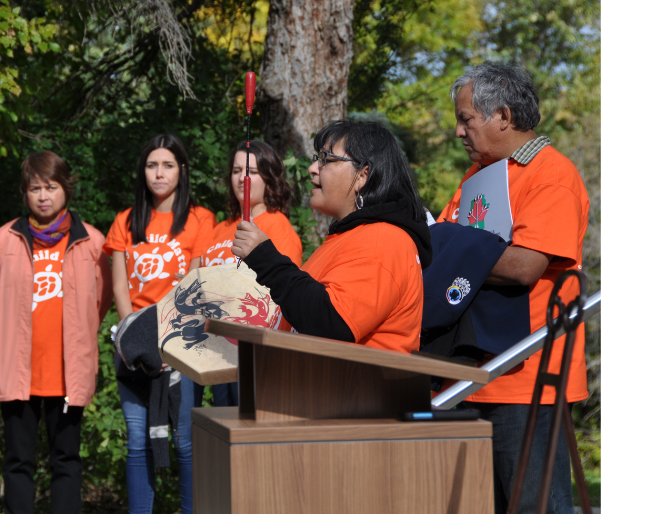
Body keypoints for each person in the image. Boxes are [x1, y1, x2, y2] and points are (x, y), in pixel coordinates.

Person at [435, 62, 590, 514]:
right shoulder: (477, 178)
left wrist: (452, 251)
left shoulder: (551, 174)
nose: (459, 132)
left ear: (502, 116)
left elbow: (526, 265)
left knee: (536, 505)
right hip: (467, 375)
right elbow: (442, 243)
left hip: (525, 379)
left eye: (467, 120)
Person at [0, 150, 112, 514]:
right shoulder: (6, 239)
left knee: (66, 461)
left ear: (66, 190)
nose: (43, 196)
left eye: (51, 187)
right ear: (25, 193)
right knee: (18, 462)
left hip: (67, 374)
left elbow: (98, 304)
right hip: (18, 370)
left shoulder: (92, 242)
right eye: (35, 188)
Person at [231, 120, 432, 351]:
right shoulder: (351, 237)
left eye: (326, 159)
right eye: (316, 158)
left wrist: (266, 259)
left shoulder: (384, 239)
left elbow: (331, 322)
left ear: (363, 175)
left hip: (355, 385)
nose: (313, 168)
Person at [103, 134, 215, 514]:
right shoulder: (125, 221)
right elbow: (120, 286)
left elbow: (195, 285)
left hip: (181, 347)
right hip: (133, 348)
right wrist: (137, 341)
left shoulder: (200, 220)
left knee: (185, 442)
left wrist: (168, 344)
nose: (159, 173)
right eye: (152, 165)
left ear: (181, 171)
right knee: (137, 441)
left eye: (167, 165)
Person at [193, 140, 303, 406]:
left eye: (252, 171)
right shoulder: (220, 229)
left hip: (255, 352)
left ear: (269, 178)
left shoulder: (277, 226)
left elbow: (280, 295)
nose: (243, 178)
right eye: (236, 170)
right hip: (217, 347)